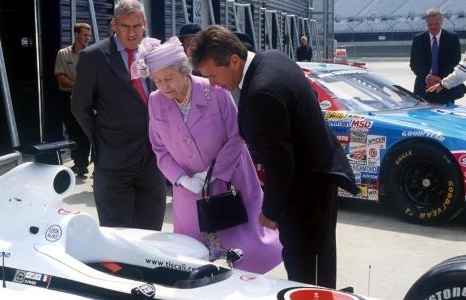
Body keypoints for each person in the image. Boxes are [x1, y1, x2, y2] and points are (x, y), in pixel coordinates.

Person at [189, 25, 359, 288]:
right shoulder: (273, 58)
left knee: (307, 269)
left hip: (305, 191)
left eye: (213, 75)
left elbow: (281, 164)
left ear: (234, 61)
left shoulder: (260, 93)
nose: (213, 84)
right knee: (319, 261)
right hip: (317, 177)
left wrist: (271, 212)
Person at [136, 36, 282, 273]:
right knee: (194, 258)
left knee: (244, 254)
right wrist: (181, 179)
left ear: (184, 71)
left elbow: (237, 135)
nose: (163, 87)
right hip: (189, 192)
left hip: (230, 182)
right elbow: (159, 148)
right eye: (157, 81)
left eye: (168, 79)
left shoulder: (215, 92)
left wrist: (213, 174)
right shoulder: (156, 102)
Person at [72, 0, 166, 230]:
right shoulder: (93, 57)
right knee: (118, 236)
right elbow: (79, 107)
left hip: (153, 160)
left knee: (151, 233)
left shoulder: (155, 54)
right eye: (125, 26)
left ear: (144, 24)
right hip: (114, 162)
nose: (132, 33)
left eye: (137, 26)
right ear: (114, 25)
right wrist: (101, 140)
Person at [54, 23, 93, 178]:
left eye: (89, 35)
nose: (88, 38)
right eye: (85, 35)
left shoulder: (92, 54)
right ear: (76, 35)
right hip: (68, 98)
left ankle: (91, 163)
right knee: (75, 132)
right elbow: (60, 76)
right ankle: (80, 164)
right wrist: (79, 86)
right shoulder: (63, 54)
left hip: (89, 99)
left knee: (89, 131)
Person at [410, 8, 465, 105]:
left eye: (436, 24)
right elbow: (414, 64)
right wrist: (428, 77)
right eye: (430, 25)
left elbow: (456, 61)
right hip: (424, 87)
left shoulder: (452, 38)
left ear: (441, 22)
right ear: (426, 23)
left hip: (446, 87)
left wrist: (440, 79)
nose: (433, 27)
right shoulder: (418, 39)